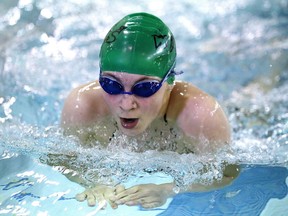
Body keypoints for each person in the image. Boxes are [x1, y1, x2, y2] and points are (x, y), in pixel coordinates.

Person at [61, 12, 239, 209]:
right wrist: (92, 182)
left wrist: (168, 189)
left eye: (144, 88)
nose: (127, 104)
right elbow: (62, 158)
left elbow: (228, 172)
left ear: (170, 82)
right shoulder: (83, 106)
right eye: (112, 84)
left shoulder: (201, 116)